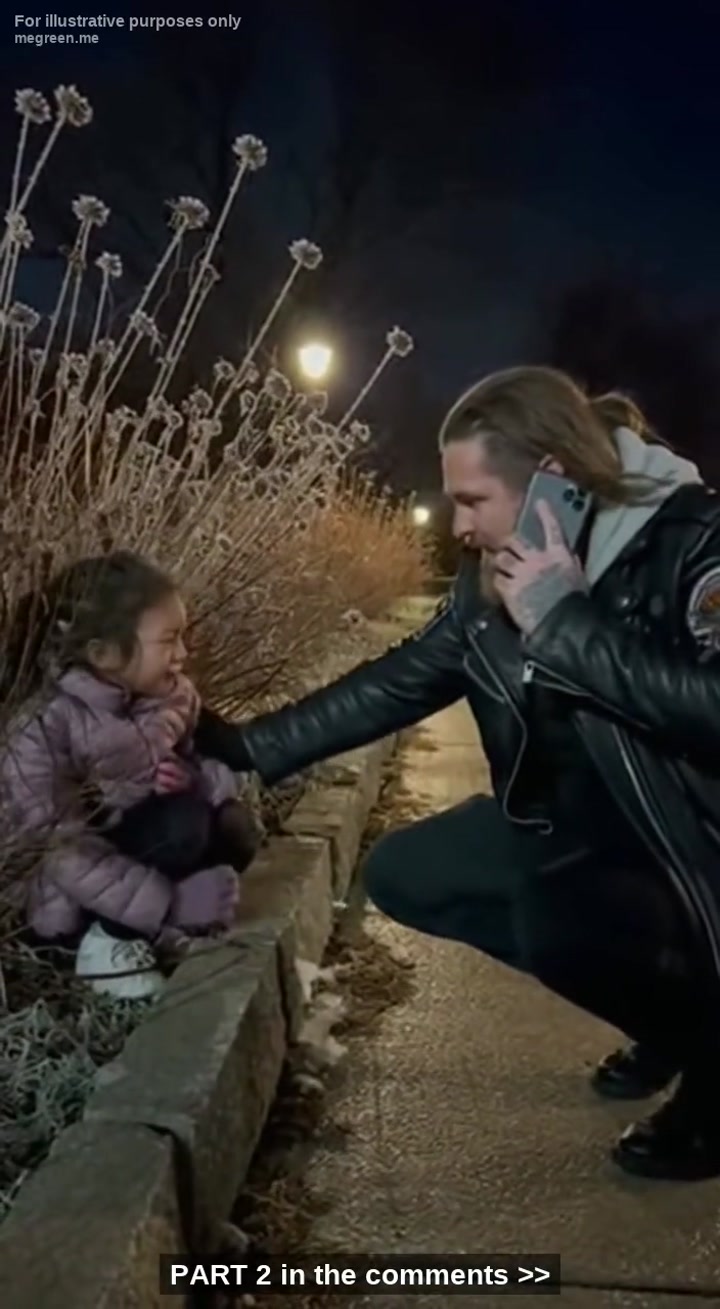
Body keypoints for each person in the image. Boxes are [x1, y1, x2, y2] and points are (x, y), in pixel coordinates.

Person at [194, 365, 720, 1182]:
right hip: (582, 832)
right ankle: (674, 1025)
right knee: (408, 872)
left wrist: (565, 621)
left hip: (690, 852)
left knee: (556, 918)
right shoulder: (496, 578)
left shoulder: (691, 539)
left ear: (551, 479)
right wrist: (246, 748)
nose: (458, 525)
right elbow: (403, 679)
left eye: (473, 500)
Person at [0, 551, 259, 1000]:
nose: (183, 654)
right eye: (169, 641)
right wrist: (171, 904)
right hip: (68, 895)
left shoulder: (171, 697)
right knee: (181, 824)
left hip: (138, 859)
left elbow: (212, 766)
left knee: (233, 825)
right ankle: (105, 945)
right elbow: (60, 848)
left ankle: (165, 926)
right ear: (103, 653)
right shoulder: (43, 724)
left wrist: (193, 779)